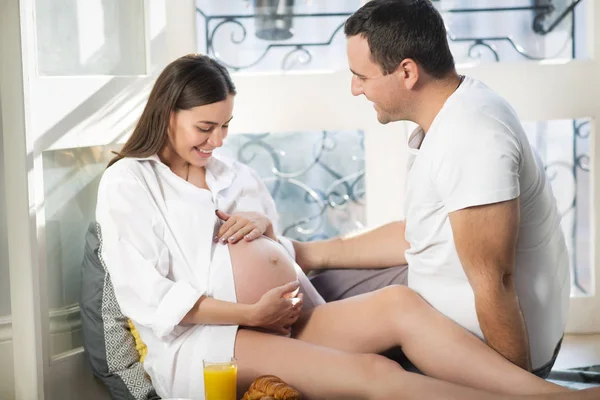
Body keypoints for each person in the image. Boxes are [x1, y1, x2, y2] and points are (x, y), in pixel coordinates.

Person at [95, 54, 600, 400]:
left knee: (400, 304)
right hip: (212, 343)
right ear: (166, 113)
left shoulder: (233, 174)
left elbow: (274, 254)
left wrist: (268, 228)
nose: (218, 141)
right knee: (374, 372)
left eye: (226, 125)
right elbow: (148, 297)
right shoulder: (130, 183)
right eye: (205, 128)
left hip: (286, 318)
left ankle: (551, 394)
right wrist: (251, 310)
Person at [293, 0, 570, 379]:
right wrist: (307, 252)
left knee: (288, 334)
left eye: (362, 76)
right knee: (314, 284)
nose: (355, 88)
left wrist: (514, 385)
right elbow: (420, 237)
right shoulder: (450, 113)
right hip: (444, 304)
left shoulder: (472, 136)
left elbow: (497, 282)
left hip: (494, 349)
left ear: (407, 71)